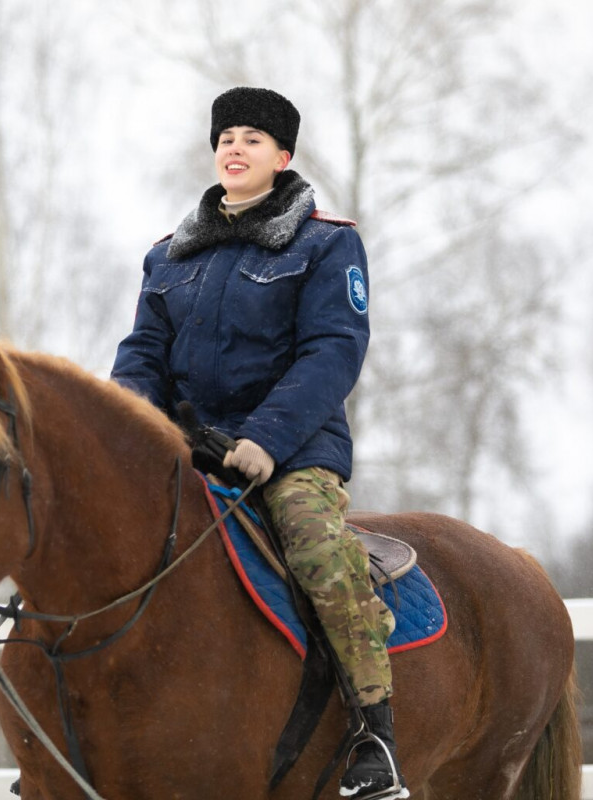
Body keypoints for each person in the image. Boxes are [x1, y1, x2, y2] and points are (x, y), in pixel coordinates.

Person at [111, 87, 405, 799]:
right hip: (186, 455)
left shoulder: (328, 244)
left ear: (283, 155)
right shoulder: (166, 258)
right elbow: (143, 357)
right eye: (225, 138)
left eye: (251, 137)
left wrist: (265, 441)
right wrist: (125, 432)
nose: (234, 148)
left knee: (317, 550)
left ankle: (374, 734)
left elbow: (333, 352)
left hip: (293, 455)